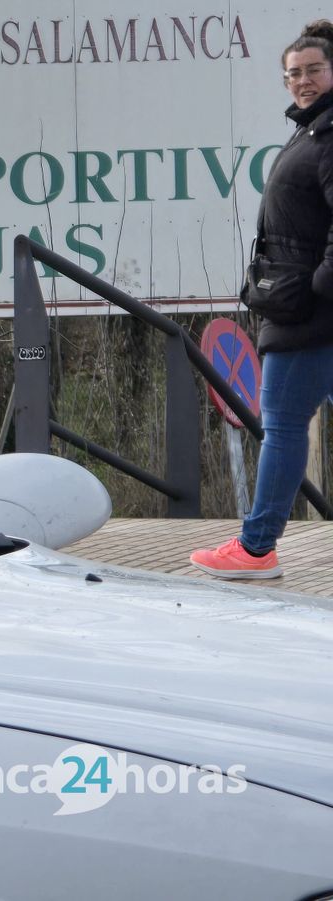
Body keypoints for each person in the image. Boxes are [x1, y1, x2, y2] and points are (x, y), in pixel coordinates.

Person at [191, 20, 333, 579]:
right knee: (284, 424)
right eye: (293, 74)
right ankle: (256, 546)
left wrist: (319, 286)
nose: (302, 80)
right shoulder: (312, 131)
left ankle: (254, 549)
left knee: (283, 423)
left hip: (310, 315)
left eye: (314, 70)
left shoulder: (328, 134)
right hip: (303, 309)